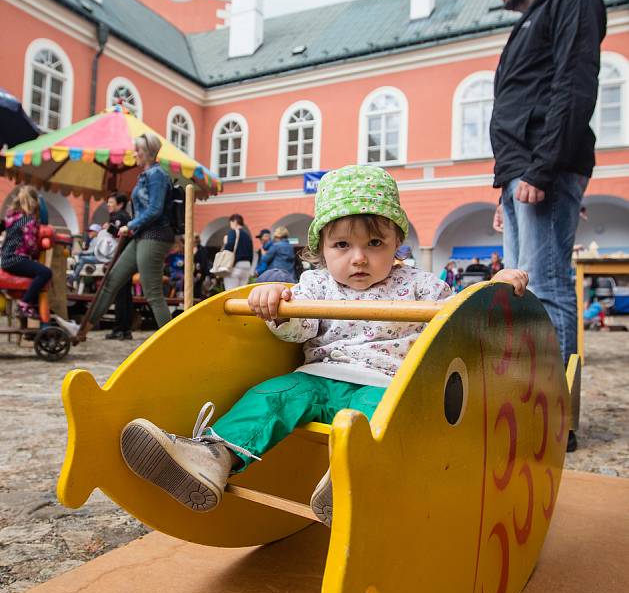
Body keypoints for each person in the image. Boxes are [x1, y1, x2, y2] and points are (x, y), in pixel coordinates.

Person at [119, 165, 528, 528]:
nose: (359, 259)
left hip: (385, 384)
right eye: (342, 246)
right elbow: (300, 329)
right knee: (270, 396)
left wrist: (492, 290)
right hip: (318, 377)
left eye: (374, 244)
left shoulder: (422, 285)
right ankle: (211, 457)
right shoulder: (315, 284)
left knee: (380, 421)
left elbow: (458, 319)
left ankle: (355, 480)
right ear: (321, 249)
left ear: (397, 243)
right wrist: (277, 309)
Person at [490, 0, 607, 453]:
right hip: (522, 170)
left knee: (548, 287)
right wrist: (505, 187)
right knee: (519, 290)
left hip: (542, 166)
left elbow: (573, 82)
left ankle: (555, 416)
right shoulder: (523, 25)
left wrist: (544, 167)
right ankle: (527, 404)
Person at [75, 133, 175, 341]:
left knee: (153, 292)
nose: (134, 153)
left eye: (138, 150)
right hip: (141, 237)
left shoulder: (157, 175)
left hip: (154, 237)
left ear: (147, 152)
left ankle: (173, 339)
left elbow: (155, 209)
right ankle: (83, 329)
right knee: (111, 281)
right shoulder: (145, 175)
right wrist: (133, 226)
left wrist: (130, 225)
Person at [0, 185, 51, 318]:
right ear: (34, 202)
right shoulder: (28, 220)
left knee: (36, 273)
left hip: (6, 259)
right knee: (45, 272)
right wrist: (35, 253)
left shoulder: (12, 217)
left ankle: (30, 308)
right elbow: (30, 244)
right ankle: (24, 304)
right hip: (16, 259)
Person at [103, 192, 134, 340]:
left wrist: (108, 228)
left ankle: (120, 328)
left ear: (120, 204)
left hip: (121, 258)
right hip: (127, 258)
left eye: (111, 202)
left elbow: (122, 236)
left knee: (120, 294)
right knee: (125, 294)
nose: (108, 205)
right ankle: (125, 328)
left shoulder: (119, 217)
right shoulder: (125, 216)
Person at [222, 214, 254, 290]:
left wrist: (225, 243)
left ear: (234, 221)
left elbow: (229, 246)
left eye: (231, 223)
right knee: (241, 294)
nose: (231, 225)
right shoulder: (247, 235)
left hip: (235, 266)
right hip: (246, 266)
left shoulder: (232, 232)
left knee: (231, 293)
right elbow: (251, 253)